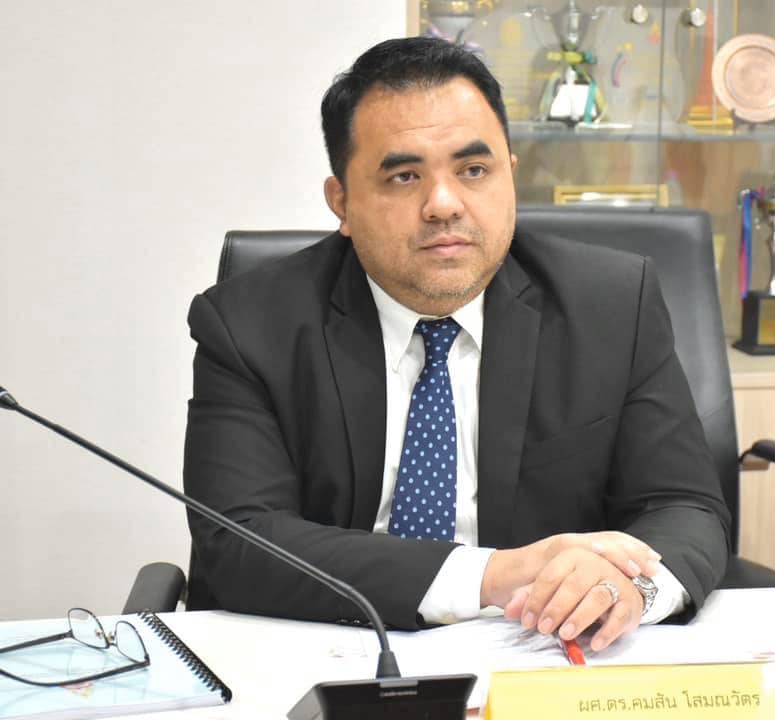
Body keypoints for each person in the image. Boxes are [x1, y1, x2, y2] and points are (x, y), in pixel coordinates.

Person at [183, 36, 730, 653]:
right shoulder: (250, 325)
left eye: (474, 171)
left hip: (545, 652)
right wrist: (490, 575)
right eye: (404, 176)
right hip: (330, 646)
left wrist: (632, 588)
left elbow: (683, 506)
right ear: (343, 203)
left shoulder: (610, 305)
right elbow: (239, 539)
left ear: (510, 176)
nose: (443, 205)